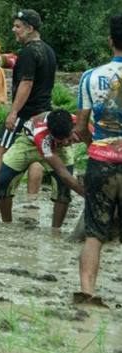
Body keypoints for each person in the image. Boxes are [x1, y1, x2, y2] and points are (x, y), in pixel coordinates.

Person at [76, 14, 122, 302]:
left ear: (110, 41)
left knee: (94, 233)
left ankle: (86, 293)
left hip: (101, 160)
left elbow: (80, 128)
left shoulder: (91, 77)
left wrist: (97, 144)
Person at [0, 10, 56, 195]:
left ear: (30, 28)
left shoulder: (27, 53)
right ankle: (31, 203)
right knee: (35, 158)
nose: (13, 29)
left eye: (18, 26)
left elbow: (26, 83)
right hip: (43, 114)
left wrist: (13, 112)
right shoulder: (49, 51)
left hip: (24, 114)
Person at [0, 110, 83, 227]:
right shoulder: (42, 135)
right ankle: (6, 224)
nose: (66, 142)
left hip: (58, 148)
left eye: (68, 138)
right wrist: (88, 195)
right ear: (50, 133)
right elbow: (63, 173)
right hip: (28, 142)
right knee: (3, 180)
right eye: (61, 140)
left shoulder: (82, 125)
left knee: (63, 188)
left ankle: (56, 230)